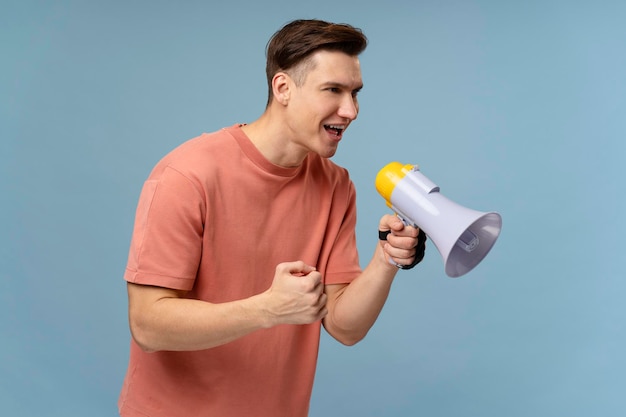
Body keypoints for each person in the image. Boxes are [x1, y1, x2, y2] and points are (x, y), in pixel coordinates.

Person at [118, 19, 426, 417]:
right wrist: (267, 309)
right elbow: (147, 325)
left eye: (355, 93)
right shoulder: (186, 175)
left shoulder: (335, 186)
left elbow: (345, 327)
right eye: (333, 90)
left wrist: (387, 259)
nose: (350, 110)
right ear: (283, 88)